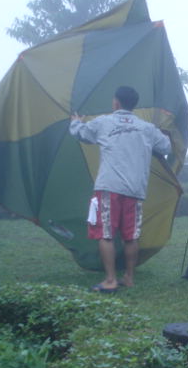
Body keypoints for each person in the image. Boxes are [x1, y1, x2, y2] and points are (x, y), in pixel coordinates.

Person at [69, 86, 171, 293]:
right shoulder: (147, 128)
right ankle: (129, 277)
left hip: (109, 187)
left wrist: (76, 121)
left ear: (116, 102)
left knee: (106, 235)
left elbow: (81, 134)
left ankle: (110, 280)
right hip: (135, 189)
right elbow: (166, 147)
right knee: (130, 236)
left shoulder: (103, 122)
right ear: (133, 105)